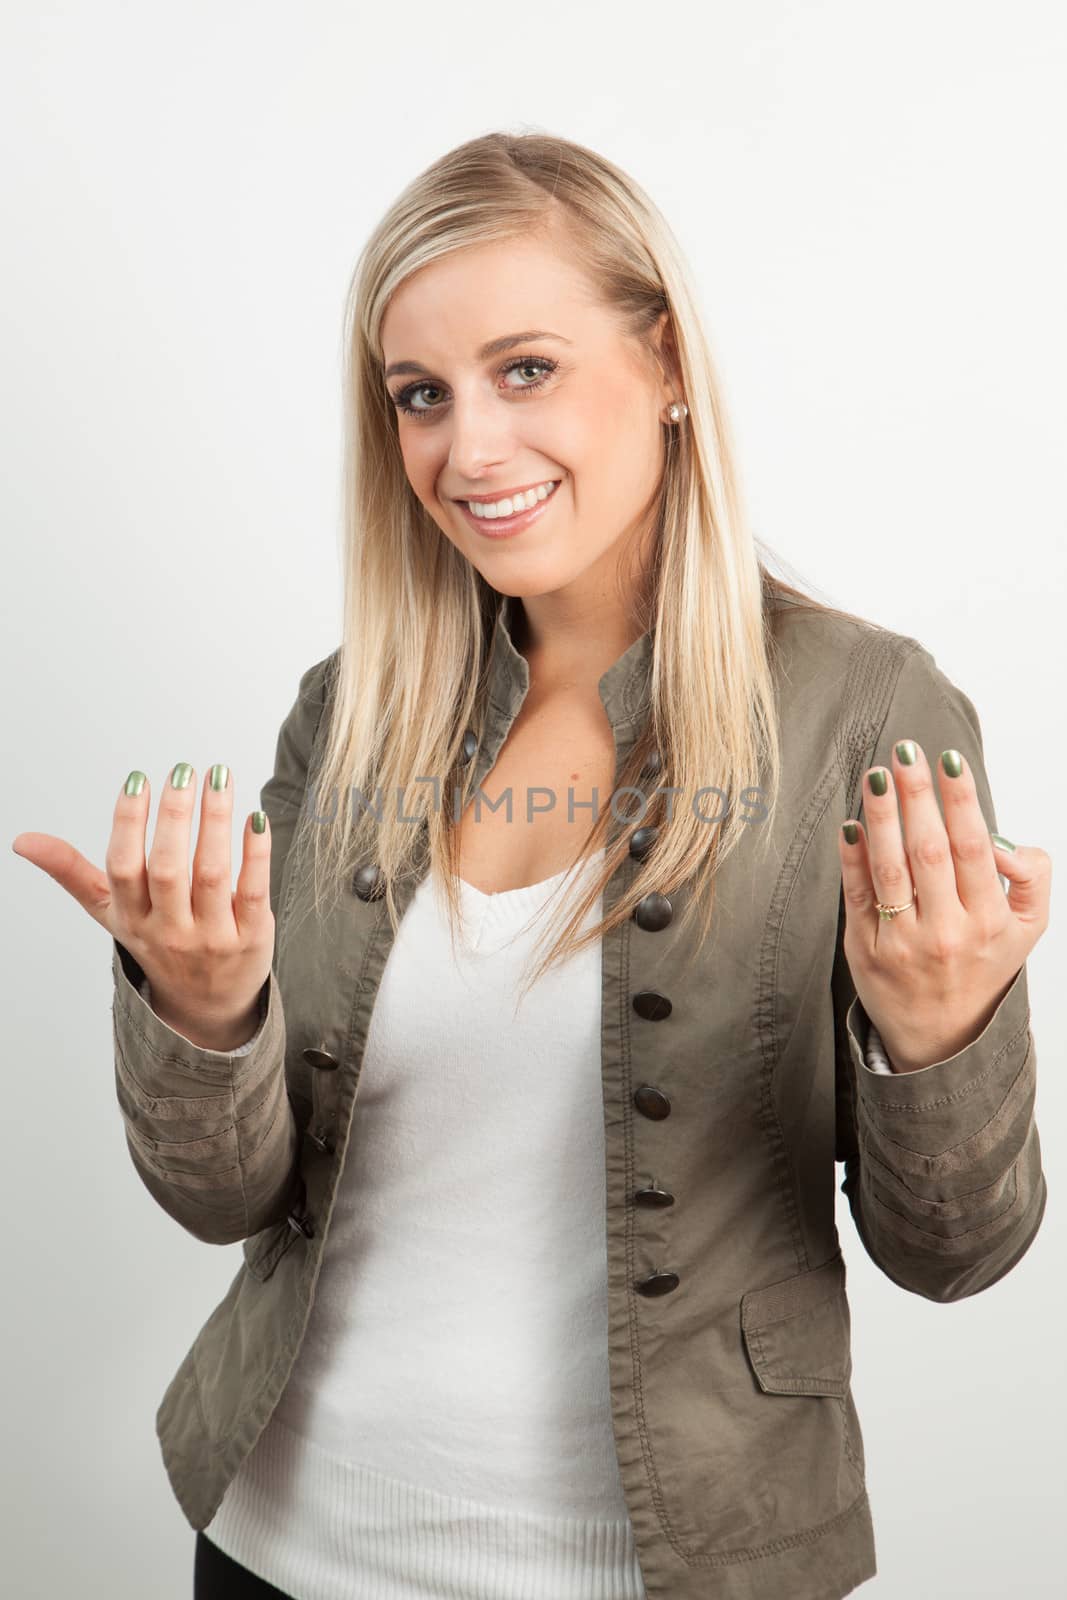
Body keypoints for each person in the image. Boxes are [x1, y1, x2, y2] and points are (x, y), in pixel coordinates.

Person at [12, 131, 1050, 1600]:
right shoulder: (352, 706)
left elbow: (959, 1254)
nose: (466, 450)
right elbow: (226, 1198)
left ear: (670, 361)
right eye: (419, 397)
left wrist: (935, 1038)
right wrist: (200, 1013)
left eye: (526, 369)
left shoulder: (867, 714)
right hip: (277, 1545)